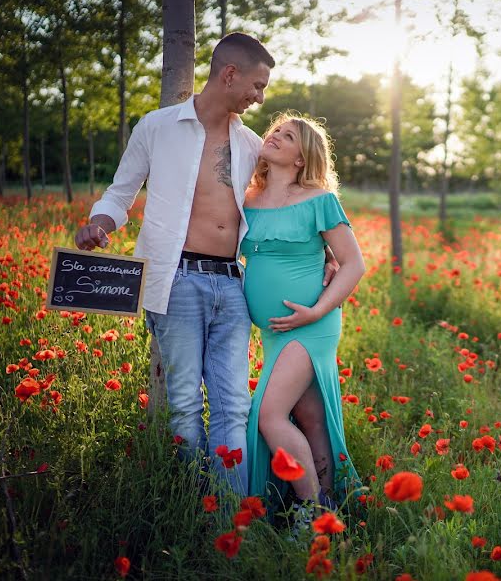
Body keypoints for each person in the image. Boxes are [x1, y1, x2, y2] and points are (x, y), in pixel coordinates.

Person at [73, 33, 337, 496]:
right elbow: (121, 192)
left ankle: (234, 511)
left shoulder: (254, 145)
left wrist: (327, 254)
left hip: (233, 285)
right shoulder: (156, 128)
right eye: (257, 85)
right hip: (174, 282)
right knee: (184, 408)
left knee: (234, 407)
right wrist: (100, 222)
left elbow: (287, 201)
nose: (261, 97)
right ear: (229, 74)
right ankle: (194, 507)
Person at [242, 112, 364, 520]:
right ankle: (328, 503)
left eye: (288, 136)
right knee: (310, 416)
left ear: (301, 158)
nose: (274, 136)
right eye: (275, 130)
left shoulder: (319, 200)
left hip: (311, 324)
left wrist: (317, 310)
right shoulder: (248, 199)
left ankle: (310, 511)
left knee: (269, 414)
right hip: (276, 332)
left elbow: (352, 264)